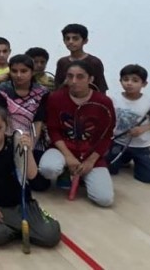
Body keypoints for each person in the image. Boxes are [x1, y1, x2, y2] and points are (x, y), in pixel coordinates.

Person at [0, 104, 60, 248]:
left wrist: (28, 150)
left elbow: (32, 175)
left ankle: (15, 227)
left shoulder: (15, 144)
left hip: (20, 204)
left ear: (6, 126)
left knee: (50, 235)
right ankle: (12, 228)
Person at [39, 61, 114, 207]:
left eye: (80, 76)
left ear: (90, 79)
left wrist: (90, 161)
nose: (74, 81)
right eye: (70, 76)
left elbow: (107, 135)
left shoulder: (104, 102)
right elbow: (53, 130)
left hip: (90, 154)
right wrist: (68, 157)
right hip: (62, 149)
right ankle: (66, 171)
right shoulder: (55, 98)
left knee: (104, 200)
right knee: (48, 169)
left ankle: (84, 175)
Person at [0, 54, 51, 191]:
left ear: (32, 72)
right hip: (8, 138)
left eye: (24, 71)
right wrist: (11, 143)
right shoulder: (2, 90)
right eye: (14, 71)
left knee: (40, 185)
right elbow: (2, 119)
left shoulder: (42, 92)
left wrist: (31, 145)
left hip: (33, 140)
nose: (18, 75)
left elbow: (38, 121)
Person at [107, 64, 150, 183]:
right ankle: (125, 159)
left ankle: (138, 159)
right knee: (108, 169)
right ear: (120, 81)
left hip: (141, 147)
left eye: (135, 80)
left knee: (149, 178)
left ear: (144, 84)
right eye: (125, 79)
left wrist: (144, 128)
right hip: (118, 143)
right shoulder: (113, 100)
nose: (129, 83)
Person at [53, 24, 108, 93]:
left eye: (75, 38)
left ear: (85, 41)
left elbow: (101, 89)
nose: (70, 42)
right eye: (67, 38)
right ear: (64, 41)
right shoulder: (62, 62)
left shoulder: (94, 62)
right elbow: (57, 88)